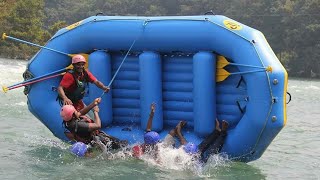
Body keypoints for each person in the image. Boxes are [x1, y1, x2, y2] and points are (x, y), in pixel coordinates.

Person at [60, 97, 128, 154]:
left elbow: (80, 113)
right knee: (121, 146)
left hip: (92, 139)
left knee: (119, 144)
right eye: (75, 111)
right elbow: (98, 125)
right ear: (73, 115)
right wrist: (95, 112)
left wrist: (93, 104)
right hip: (97, 141)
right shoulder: (78, 125)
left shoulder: (68, 121)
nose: (76, 111)